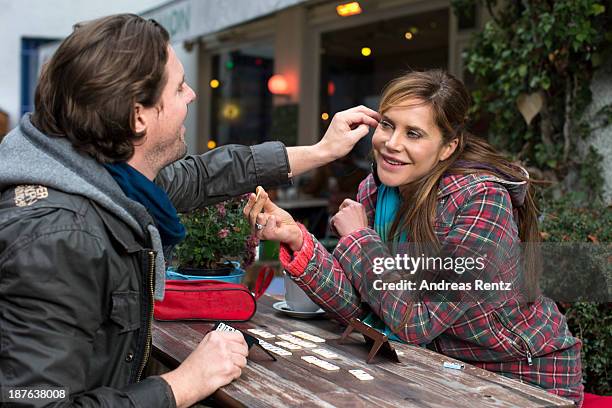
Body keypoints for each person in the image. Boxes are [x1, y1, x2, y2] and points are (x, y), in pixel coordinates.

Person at [0, 14, 380, 408]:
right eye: (179, 86)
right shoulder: (60, 236)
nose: (193, 94)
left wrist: (320, 152)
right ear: (138, 116)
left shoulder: (102, 176)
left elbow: (205, 176)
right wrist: (183, 384)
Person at [245, 70, 584, 406]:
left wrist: (360, 239)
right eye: (389, 125)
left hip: (519, 376)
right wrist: (297, 239)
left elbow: (416, 322)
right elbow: (363, 308)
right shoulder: (376, 189)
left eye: (414, 133)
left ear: (448, 146)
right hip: (438, 367)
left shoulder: (482, 201)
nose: (392, 144)